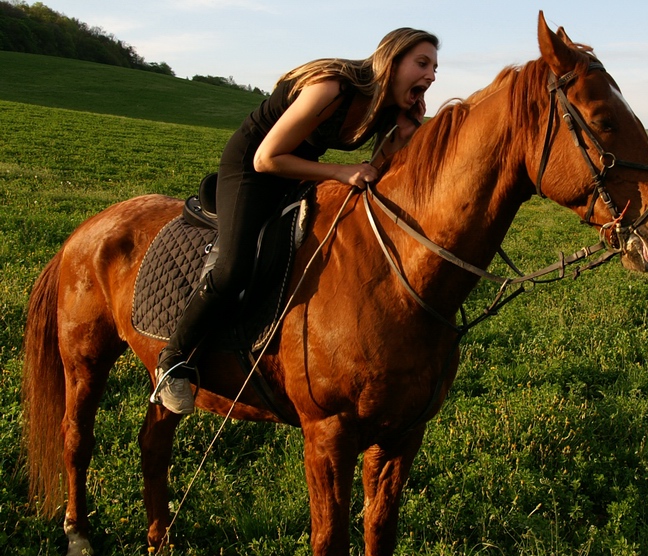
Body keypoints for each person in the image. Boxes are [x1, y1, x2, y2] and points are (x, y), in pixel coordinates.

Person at [151, 28, 440, 414]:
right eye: (422, 63)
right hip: (253, 166)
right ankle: (173, 360)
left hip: (299, 169)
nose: (431, 75)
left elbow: (375, 170)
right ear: (392, 60)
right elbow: (266, 158)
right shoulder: (332, 87)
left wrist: (403, 134)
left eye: (434, 68)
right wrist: (339, 172)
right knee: (234, 266)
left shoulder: (386, 109)